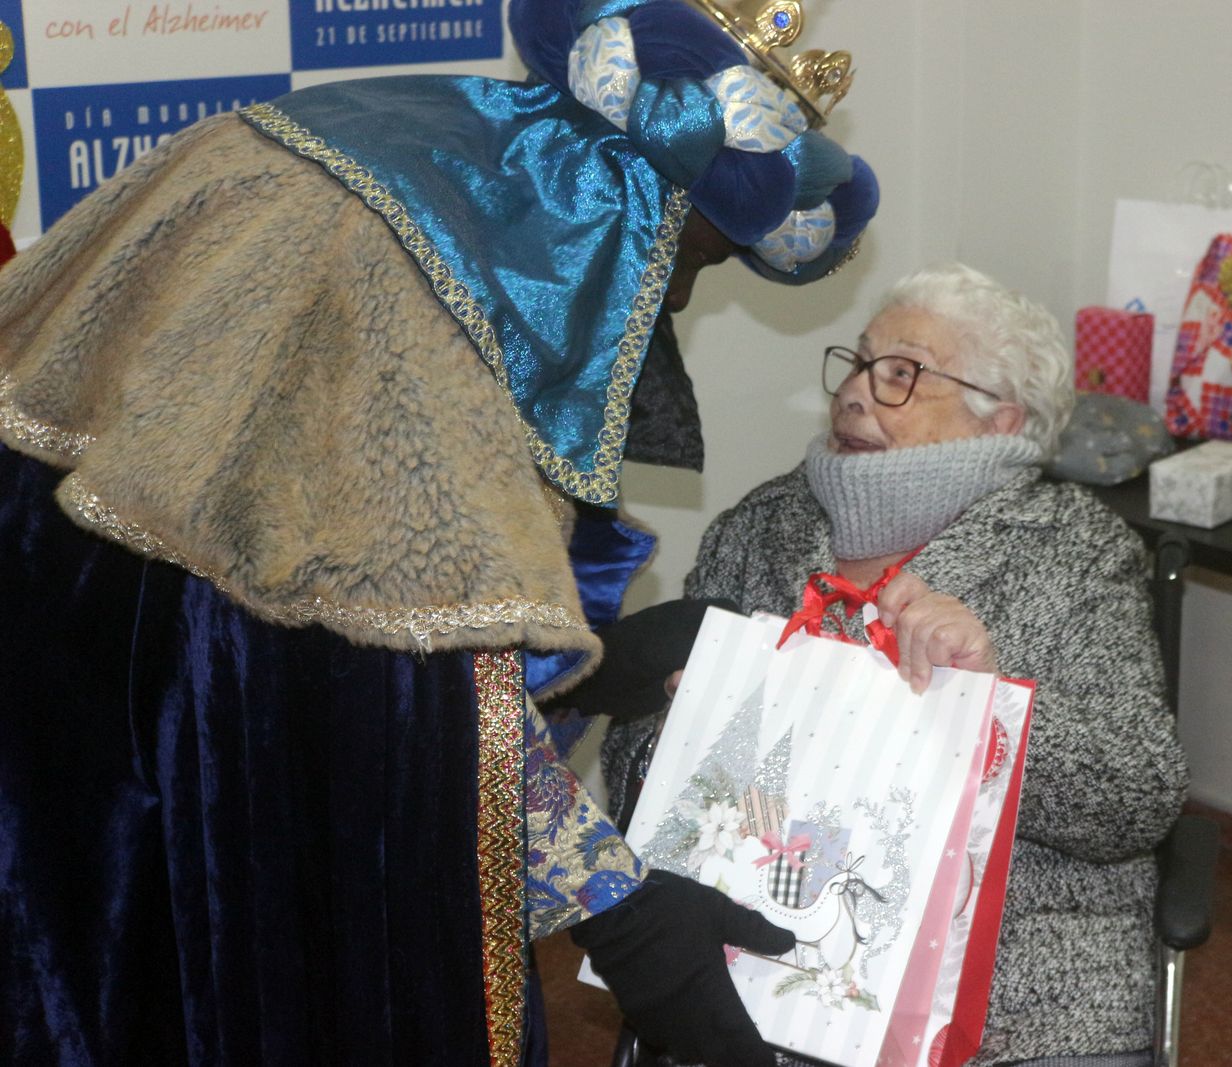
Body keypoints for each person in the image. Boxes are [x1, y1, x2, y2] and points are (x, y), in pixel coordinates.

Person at [0, 2, 878, 1065]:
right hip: (138, 768)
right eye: (683, 256)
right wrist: (623, 911)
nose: (678, 295)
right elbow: (384, 681)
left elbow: (355, 647)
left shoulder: (391, 150)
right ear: (607, 199)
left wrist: (576, 675)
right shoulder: (397, 297)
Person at [602, 263, 1190, 1066]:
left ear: (999, 422)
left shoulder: (1081, 553)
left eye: (902, 374)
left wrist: (989, 693)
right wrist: (679, 728)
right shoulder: (758, 528)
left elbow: (1136, 799)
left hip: (1020, 989)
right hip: (769, 956)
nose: (855, 392)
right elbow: (631, 760)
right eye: (858, 363)